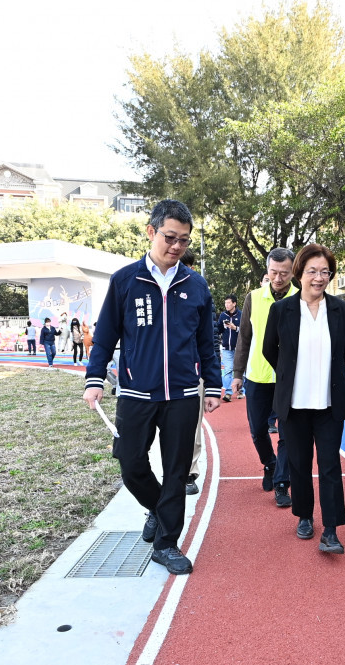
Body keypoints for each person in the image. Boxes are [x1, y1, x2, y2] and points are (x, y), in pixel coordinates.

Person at [83, 199, 221, 575]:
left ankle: (166, 543)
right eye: (170, 237)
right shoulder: (125, 280)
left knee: (177, 472)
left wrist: (212, 386)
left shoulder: (195, 285)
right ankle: (158, 509)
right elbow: (106, 334)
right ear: (151, 232)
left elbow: (206, 342)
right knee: (130, 463)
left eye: (184, 241)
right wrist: (95, 380)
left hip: (181, 395)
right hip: (135, 393)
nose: (176, 246)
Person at [262, 243, 345, 554]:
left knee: (329, 466)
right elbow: (269, 350)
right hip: (294, 404)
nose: (318, 277)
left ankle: (330, 529)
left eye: (324, 272)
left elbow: (342, 352)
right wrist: (289, 375)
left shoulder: (340, 309)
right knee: (299, 465)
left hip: (329, 403)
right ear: (299, 273)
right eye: (312, 271)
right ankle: (304, 516)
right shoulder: (281, 310)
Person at [232, 248, 297, 508]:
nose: (278, 278)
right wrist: (237, 374)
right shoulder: (254, 298)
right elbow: (244, 338)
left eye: (284, 273)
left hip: (290, 378)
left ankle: (283, 482)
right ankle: (269, 464)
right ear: (267, 270)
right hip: (258, 375)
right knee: (258, 429)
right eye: (273, 272)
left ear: (293, 271)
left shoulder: (301, 297)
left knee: (288, 433)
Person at [218, 295, 241, 401]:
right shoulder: (223, 315)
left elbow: (246, 331)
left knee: (240, 370)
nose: (226, 305)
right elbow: (218, 330)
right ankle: (228, 393)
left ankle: (241, 390)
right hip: (227, 347)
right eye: (225, 303)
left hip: (240, 348)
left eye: (228, 303)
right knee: (227, 370)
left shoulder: (241, 315)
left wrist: (235, 328)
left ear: (234, 303)